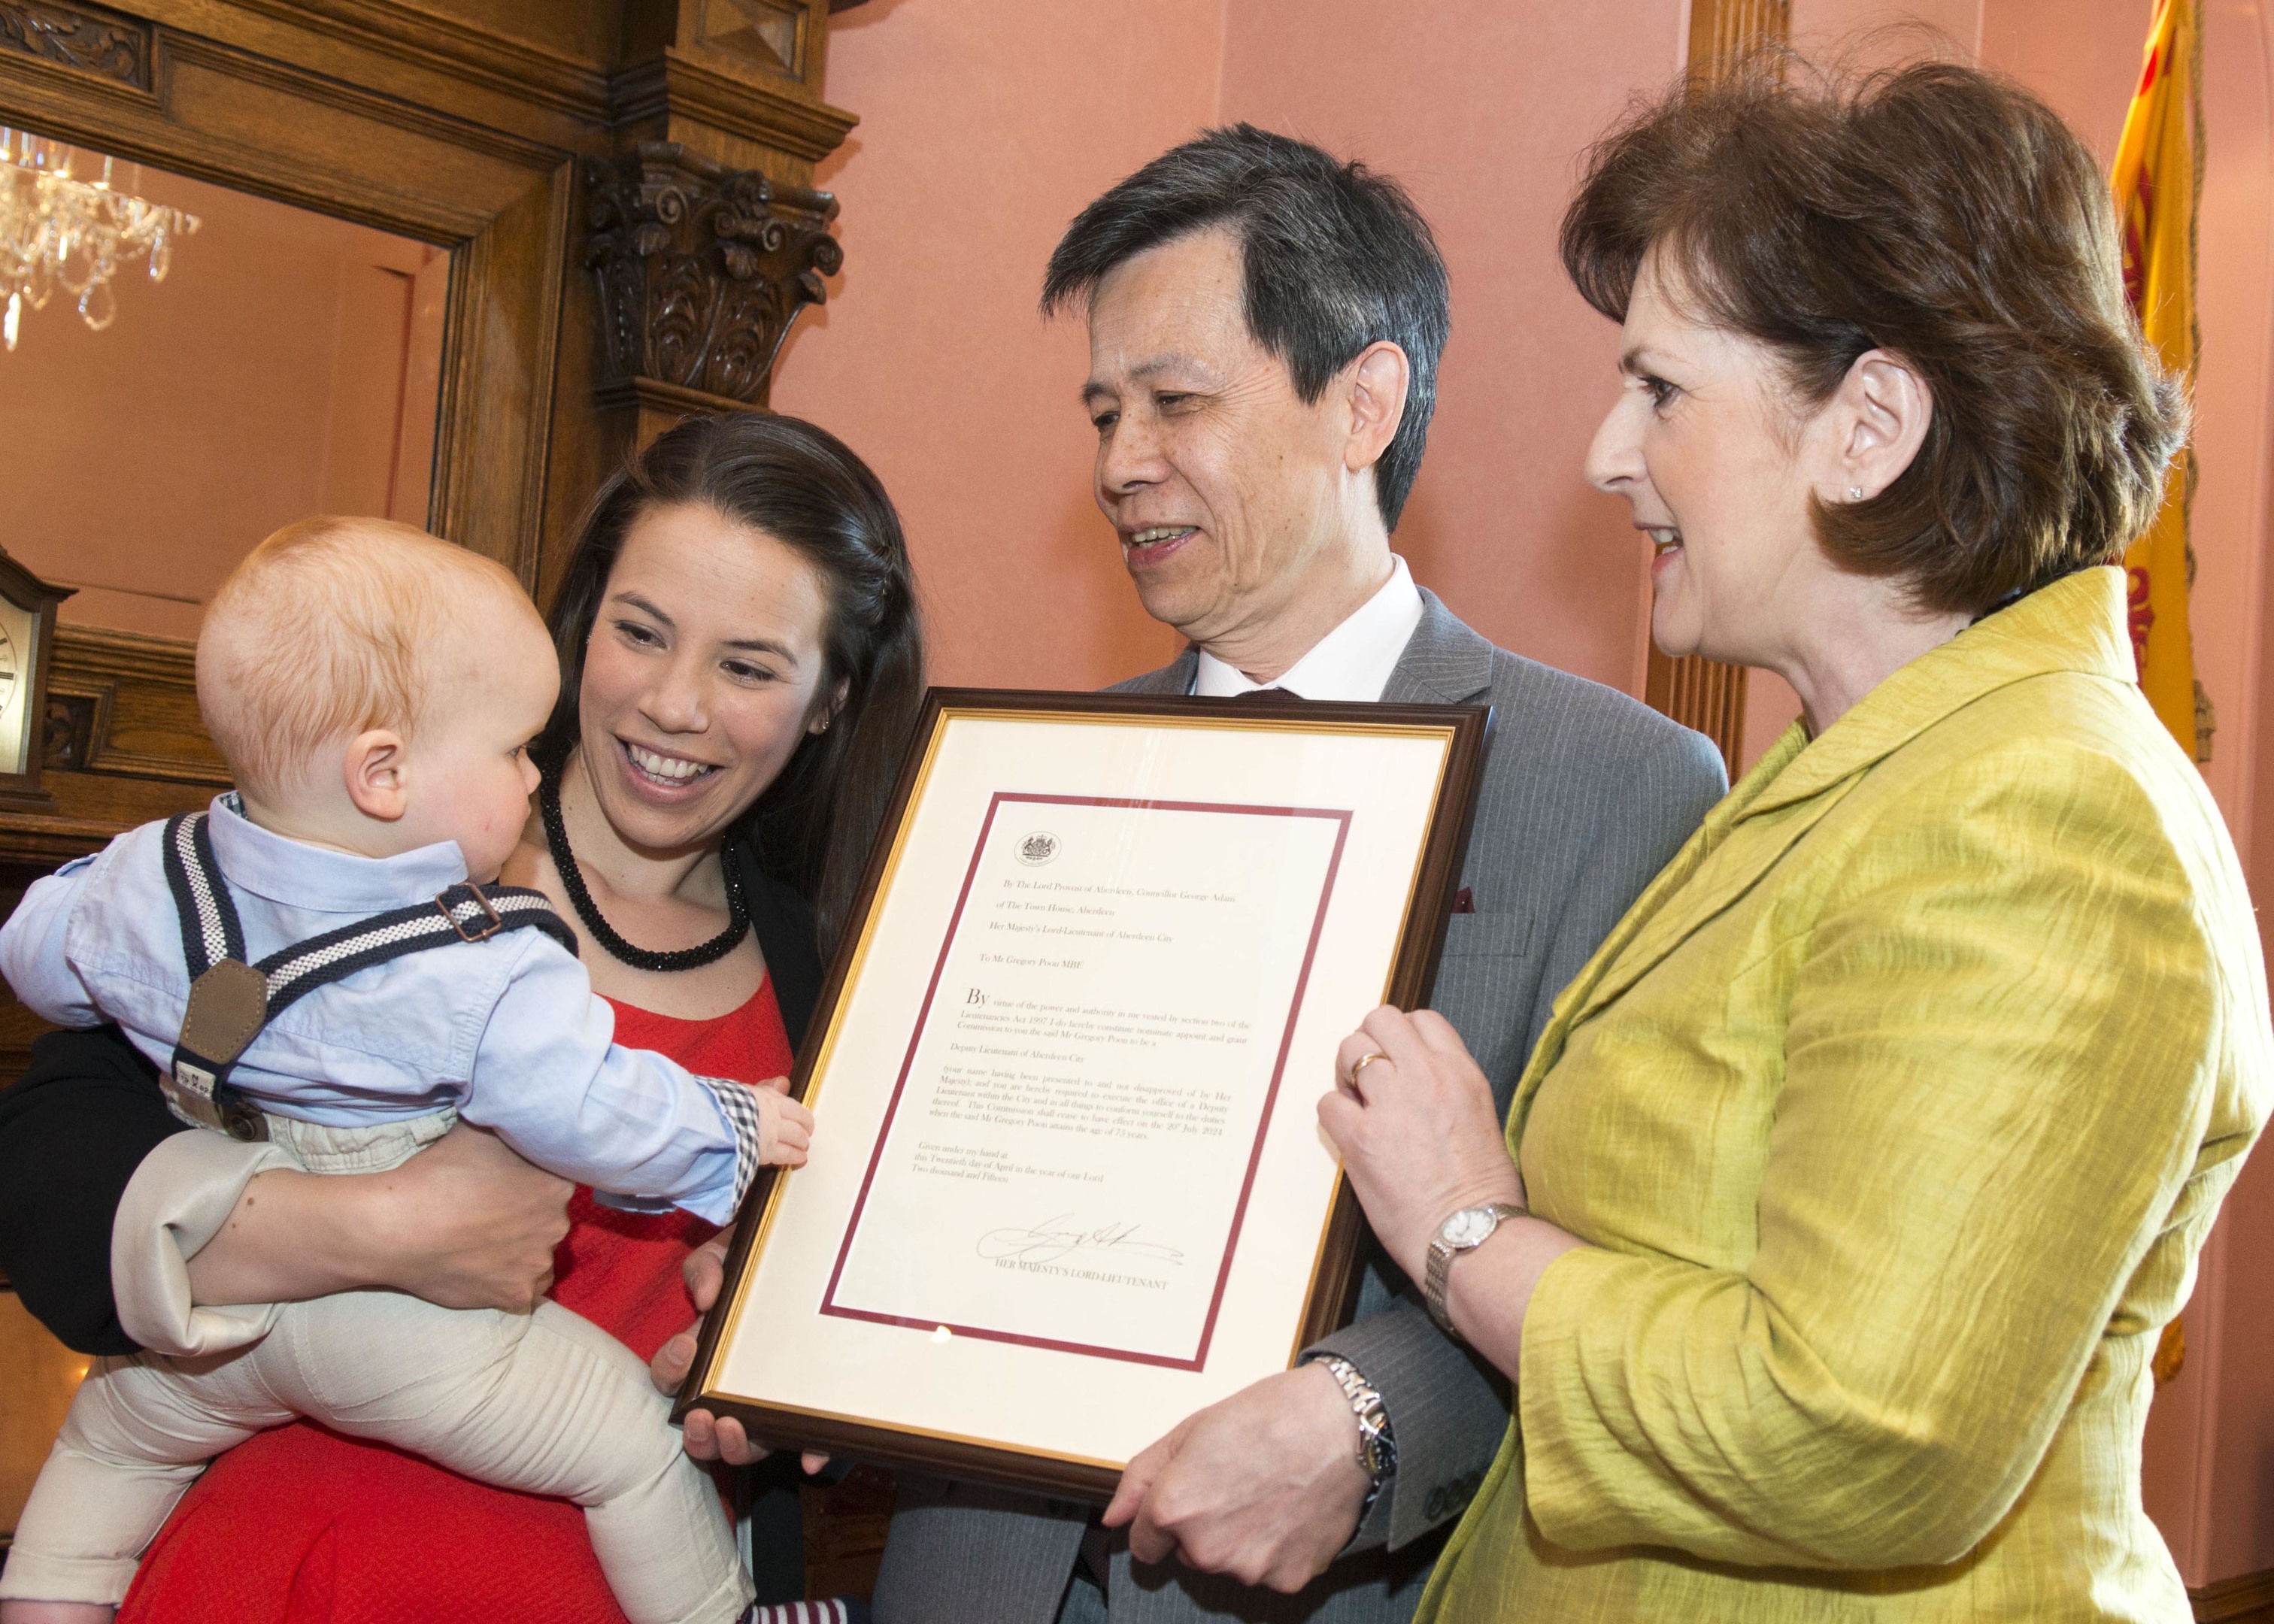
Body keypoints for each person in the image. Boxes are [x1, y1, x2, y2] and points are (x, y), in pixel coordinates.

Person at [663, 126, 1728, 1624]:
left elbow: (1632, 1268)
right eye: (1103, 412)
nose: (1116, 464)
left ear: (1364, 401)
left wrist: (1364, 1422)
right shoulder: (1016, 780)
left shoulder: (1614, 786)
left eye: (1176, 403)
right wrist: (798, 1305)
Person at [1319, 58, 2270, 1623]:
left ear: (1870, 424)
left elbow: (1856, 1433)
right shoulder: (1866, 773)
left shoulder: (2041, 816)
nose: (1606, 455)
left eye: (1663, 391)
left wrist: (1458, 1224)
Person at [0, 411, 923, 1621]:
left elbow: (882, 1346)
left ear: (827, 702)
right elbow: (43, 1181)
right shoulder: (354, 854)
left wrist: (765, 1377)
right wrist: (375, 1227)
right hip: (269, 1571)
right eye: (638, 632)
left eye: (748, 667)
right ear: (580, 624)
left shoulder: (840, 975)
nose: (674, 703)